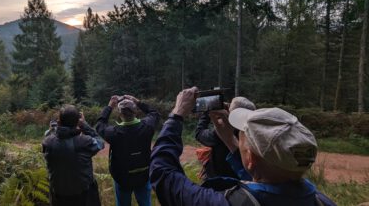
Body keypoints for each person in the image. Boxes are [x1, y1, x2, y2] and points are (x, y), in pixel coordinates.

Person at [150, 87, 336, 206]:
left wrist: (177, 114)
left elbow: (162, 174)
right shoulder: (322, 201)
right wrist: (230, 140)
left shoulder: (229, 203)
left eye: (242, 136)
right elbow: (270, 176)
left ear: (251, 160)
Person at [96, 95, 161, 206]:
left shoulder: (113, 133)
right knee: (145, 203)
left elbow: (100, 124)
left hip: (122, 177)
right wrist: (138, 101)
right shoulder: (147, 127)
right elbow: (154, 113)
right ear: (135, 112)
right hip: (143, 175)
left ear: (120, 114)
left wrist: (109, 106)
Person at [42, 105, 104, 206]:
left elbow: (50, 136)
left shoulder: (48, 142)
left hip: (58, 195)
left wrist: (54, 128)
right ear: (77, 122)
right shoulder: (85, 142)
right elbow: (100, 142)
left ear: (58, 122)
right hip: (84, 196)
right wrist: (84, 125)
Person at [195, 97, 256, 179]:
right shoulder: (255, 134)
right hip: (242, 180)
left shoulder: (222, 133)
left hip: (220, 181)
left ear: (233, 114)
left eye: (230, 106)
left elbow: (199, 134)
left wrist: (207, 113)